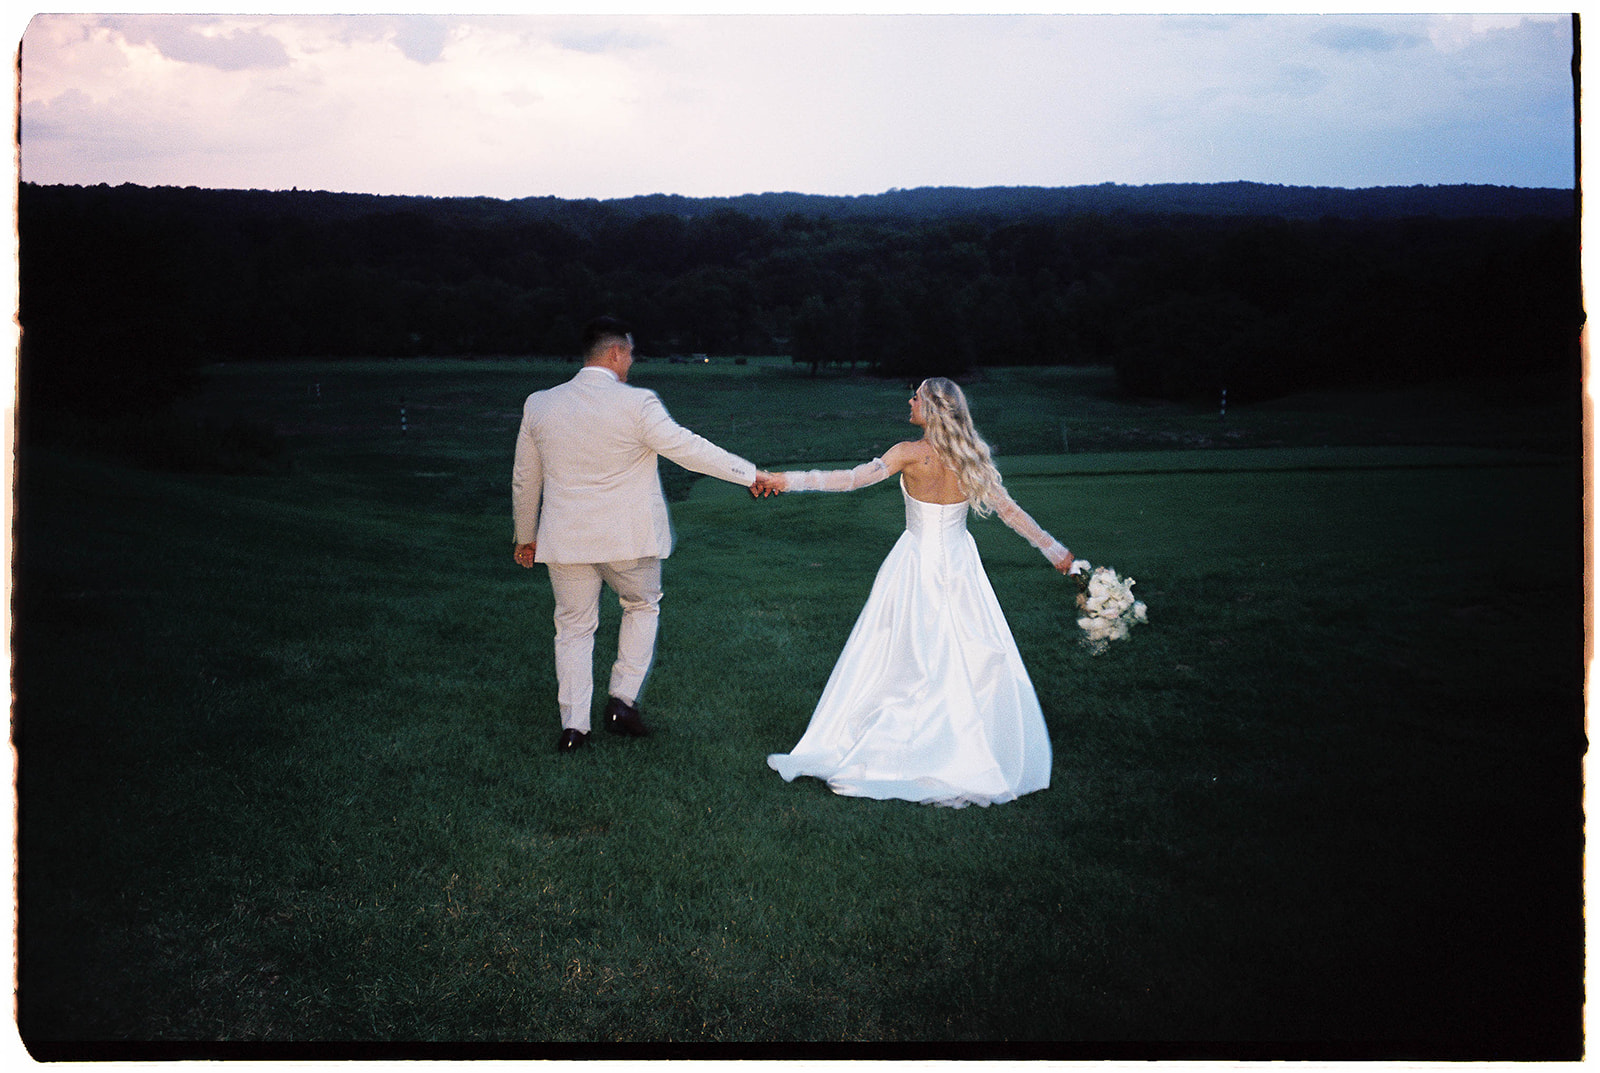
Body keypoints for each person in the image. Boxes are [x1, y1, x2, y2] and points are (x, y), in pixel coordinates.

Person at [752, 377, 1073, 807]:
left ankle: (913, 742)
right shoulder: (969, 458)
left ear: (932, 408)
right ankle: (961, 743)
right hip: (959, 565)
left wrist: (784, 480)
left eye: (916, 398)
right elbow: (1011, 513)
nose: (910, 402)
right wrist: (1056, 552)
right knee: (964, 650)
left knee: (902, 652)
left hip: (915, 563)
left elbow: (849, 479)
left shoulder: (908, 454)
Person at [513, 316, 770, 753]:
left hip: (566, 539)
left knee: (573, 629)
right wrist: (749, 474)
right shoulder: (638, 404)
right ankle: (621, 702)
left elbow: (525, 477)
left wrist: (525, 535)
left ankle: (574, 729)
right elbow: (688, 449)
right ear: (615, 353)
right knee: (641, 605)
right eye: (630, 352)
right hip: (628, 539)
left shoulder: (540, 404)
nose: (631, 361)